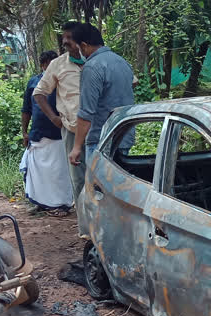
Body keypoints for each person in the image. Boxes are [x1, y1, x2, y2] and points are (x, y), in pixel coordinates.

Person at [32, 22, 85, 211]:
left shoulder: (100, 60)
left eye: (69, 38)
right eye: (64, 38)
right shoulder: (58, 64)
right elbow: (38, 94)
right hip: (72, 130)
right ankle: (86, 228)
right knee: (79, 180)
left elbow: (131, 82)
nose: (65, 42)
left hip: (103, 130)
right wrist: (54, 117)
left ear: (83, 40)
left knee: (105, 178)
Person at [68, 23, 134, 168]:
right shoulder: (122, 62)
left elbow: (86, 112)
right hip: (124, 137)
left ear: (84, 46)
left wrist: (77, 147)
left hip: (102, 142)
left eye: (79, 48)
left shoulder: (92, 67)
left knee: (99, 189)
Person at [20, 51, 73, 216]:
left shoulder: (64, 82)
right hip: (38, 133)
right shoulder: (33, 82)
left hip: (59, 133)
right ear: (43, 65)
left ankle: (60, 204)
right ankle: (42, 202)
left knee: (58, 172)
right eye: (49, 64)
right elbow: (26, 109)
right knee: (38, 172)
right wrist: (24, 131)